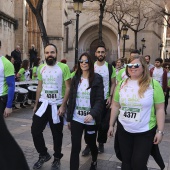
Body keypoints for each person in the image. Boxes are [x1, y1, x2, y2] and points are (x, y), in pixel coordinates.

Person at [108, 54, 165, 170]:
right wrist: (111, 125)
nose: (132, 67)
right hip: (124, 130)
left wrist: (160, 131)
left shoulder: (153, 85)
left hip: (145, 131)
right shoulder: (122, 84)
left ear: (143, 67)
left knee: (138, 164)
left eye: (136, 65)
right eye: (130, 65)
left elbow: (160, 109)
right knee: (126, 163)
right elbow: (115, 105)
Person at [31, 43, 71, 170]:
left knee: (57, 134)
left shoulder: (63, 67)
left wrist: (64, 105)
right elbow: (39, 87)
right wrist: (36, 104)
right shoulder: (41, 67)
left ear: (56, 54)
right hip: (43, 104)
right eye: (47, 53)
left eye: (52, 52)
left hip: (57, 105)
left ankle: (57, 158)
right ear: (44, 54)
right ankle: (43, 154)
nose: (49, 55)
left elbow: (69, 87)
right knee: (35, 130)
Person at [67, 52, 104, 170]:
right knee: (75, 147)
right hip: (76, 118)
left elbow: (99, 100)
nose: (83, 63)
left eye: (86, 61)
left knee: (91, 143)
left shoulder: (97, 78)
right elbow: (72, 99)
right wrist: (69, 118)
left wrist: (92, 114)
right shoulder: (76, 78)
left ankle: (94, 159)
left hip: (90, 120)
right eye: (81, 61)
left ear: (90, 63)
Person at [82, 45, 116, 156]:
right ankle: (89, 145)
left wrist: (111, 96)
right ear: (95, 54)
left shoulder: (110, 67)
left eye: (102, 52)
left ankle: (101, 142)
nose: (100, 54)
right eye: (98, 52)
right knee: (90, 123)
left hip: (105, 100)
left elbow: (113, 83)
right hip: (92, 100)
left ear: (105, 54)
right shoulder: (91, 67)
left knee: (103, 125)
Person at [0, 55, 29, 170]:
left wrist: (8, 106)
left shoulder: (6, 63)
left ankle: (17, 163)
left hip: (1, 99)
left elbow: (11, 85)